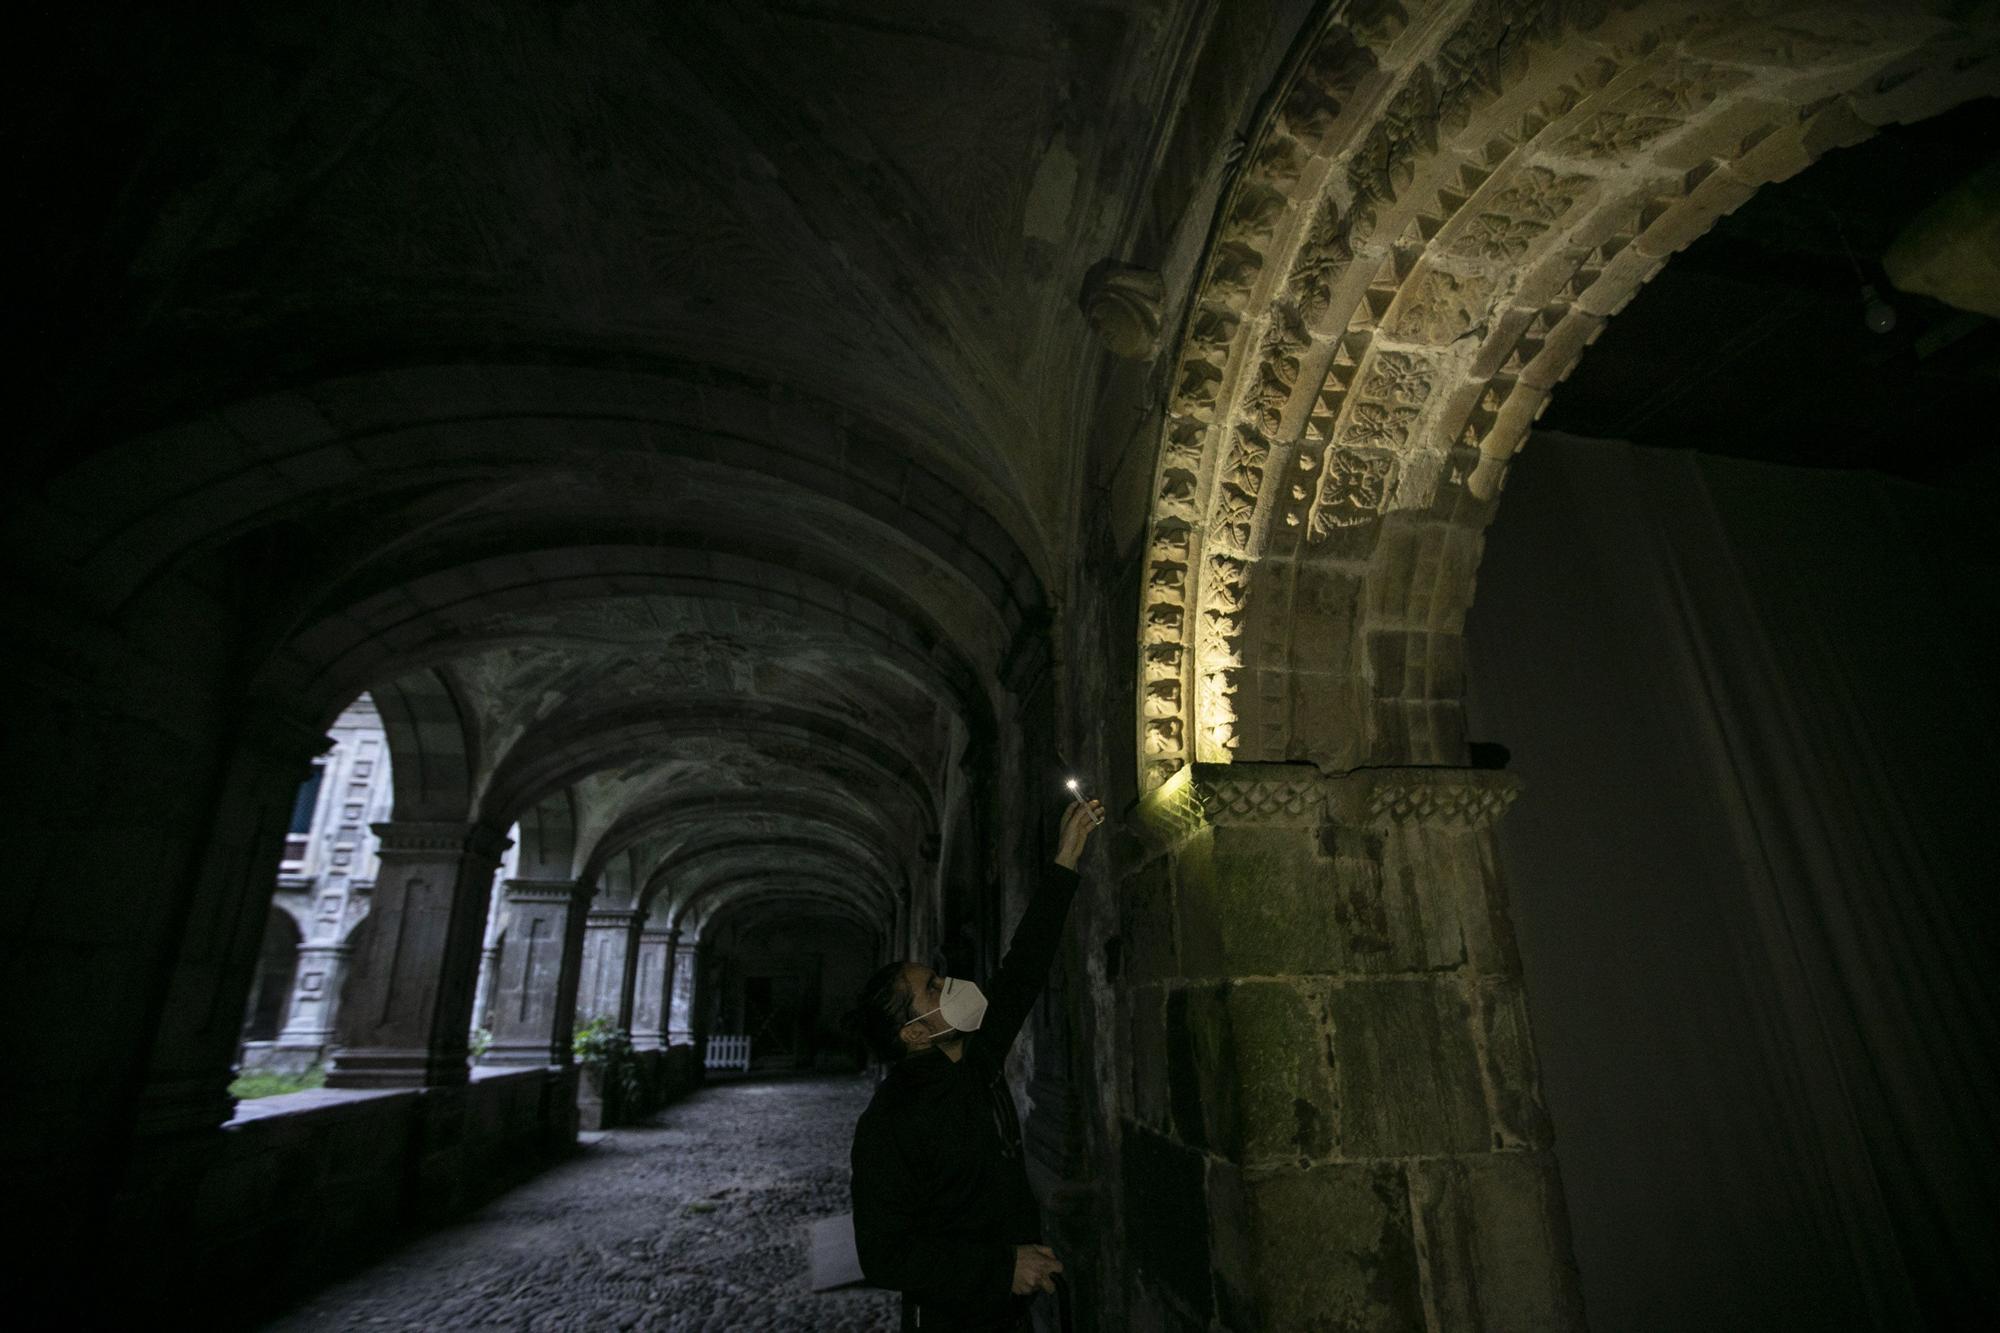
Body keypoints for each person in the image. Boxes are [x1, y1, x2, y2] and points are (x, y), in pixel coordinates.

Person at [849, 795, 1103, 1332]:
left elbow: (1023, 969)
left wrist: (1065, 859)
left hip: (1009, 1309)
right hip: (952, 1319)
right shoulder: (889, 1123)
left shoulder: (974, 1060)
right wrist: (1001, 1268)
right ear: (915, 1032)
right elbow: (885, 1255)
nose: (949, 986)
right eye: (933, 988)